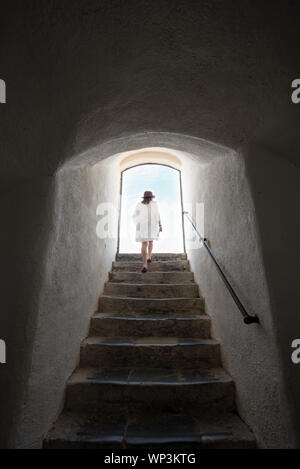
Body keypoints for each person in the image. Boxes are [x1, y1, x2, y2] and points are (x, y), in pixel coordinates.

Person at [132, 190, 162, 273]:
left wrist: (138, 224)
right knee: (151, 241)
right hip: (152, 225)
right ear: (151, 197)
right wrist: (160, 225)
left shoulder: (139, 204)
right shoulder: (154, 204)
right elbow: (158, 215)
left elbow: (135, 216)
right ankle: (149, 256)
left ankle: (145, 264)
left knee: (144, 244)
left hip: (143, 225)